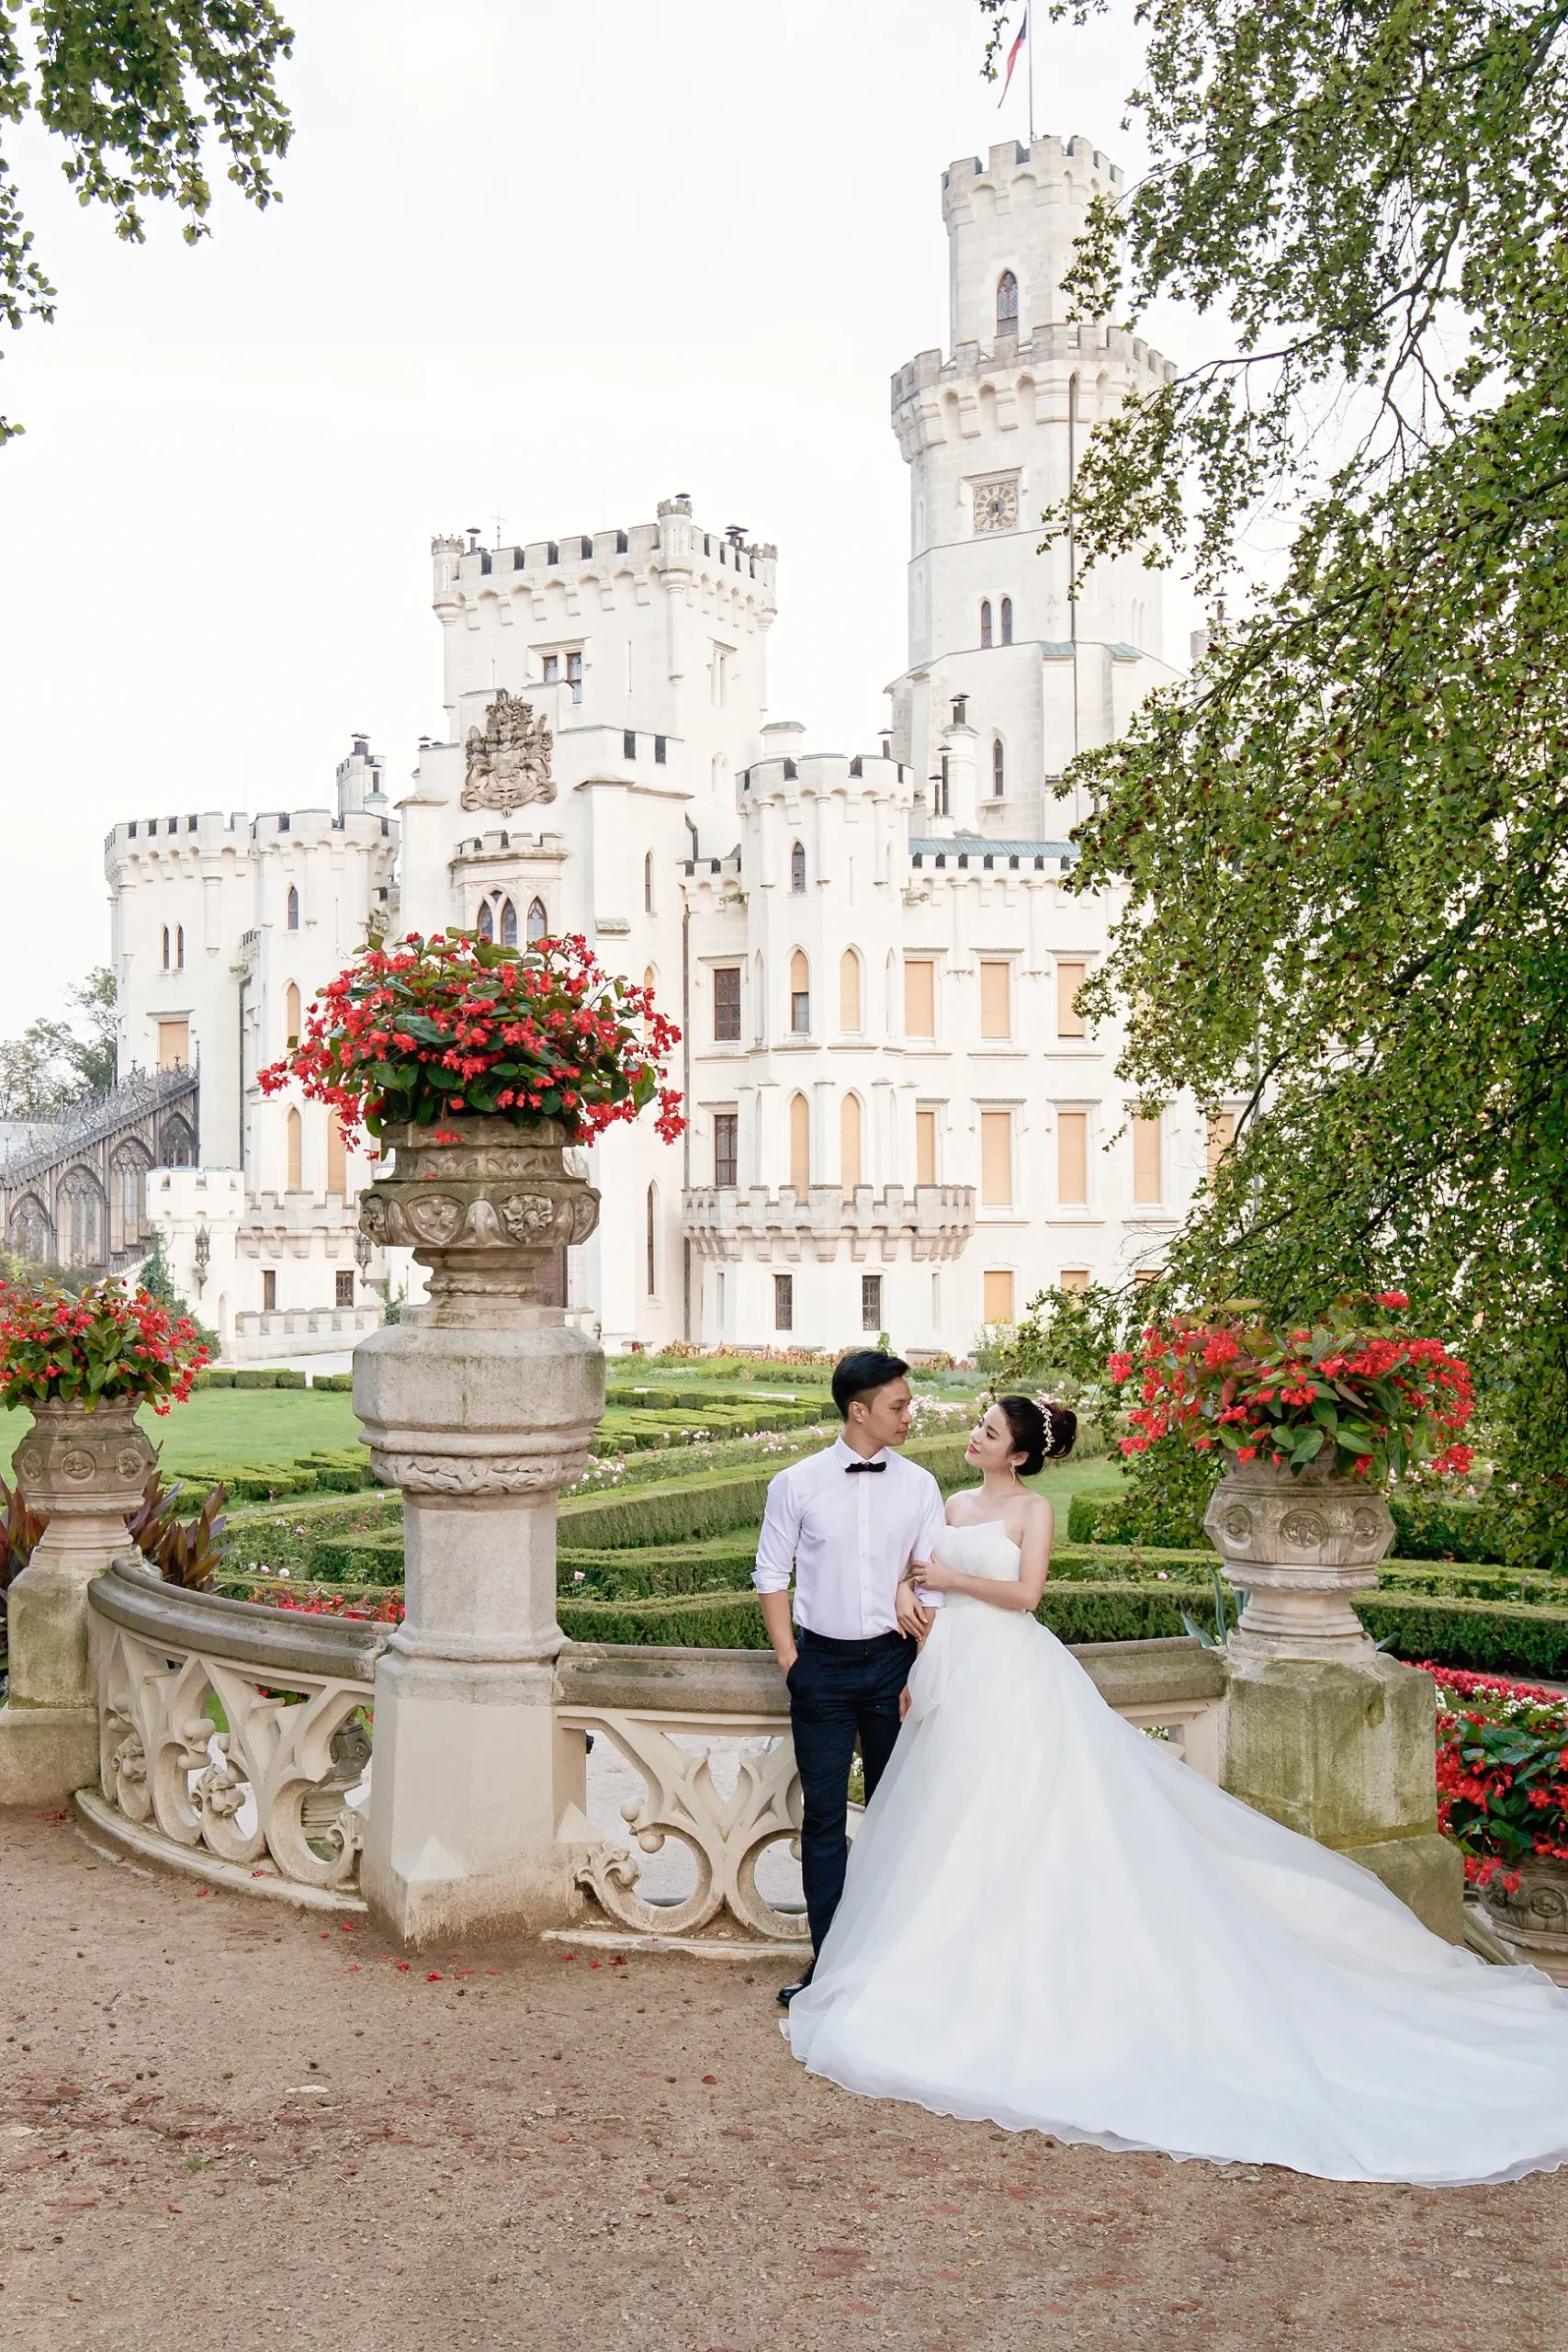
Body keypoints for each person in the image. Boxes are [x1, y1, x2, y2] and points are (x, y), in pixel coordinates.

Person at [784, 1396, 1568, 2186]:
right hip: (953, 1668)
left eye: (988, 1431)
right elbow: (920, 1584)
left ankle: (1027, 1969)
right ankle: (937, 1959)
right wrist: (910, 1606)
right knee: (945, 1824)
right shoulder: (951, 1502)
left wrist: (949, 1575)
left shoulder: (1033, 1509)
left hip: (1011, 1674)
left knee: (1022, 1812)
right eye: (979, 1425)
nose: (973, 1436)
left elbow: (1026, 1597)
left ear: (1018, 1455)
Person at [753, 1349, 945, 2008]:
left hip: (895, 1665)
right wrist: (790, 1662)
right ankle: (829, 1964)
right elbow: (770, 1575)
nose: (908, 1415)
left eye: (908, 1403)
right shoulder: (796, 1483)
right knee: (825, 1821)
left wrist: (918, 1667)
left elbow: (931, 1581)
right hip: (822, 1669)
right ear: (857, 1410)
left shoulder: (920, 1486)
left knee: (898, 1816)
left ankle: (895, 1961)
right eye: (897, 1405)